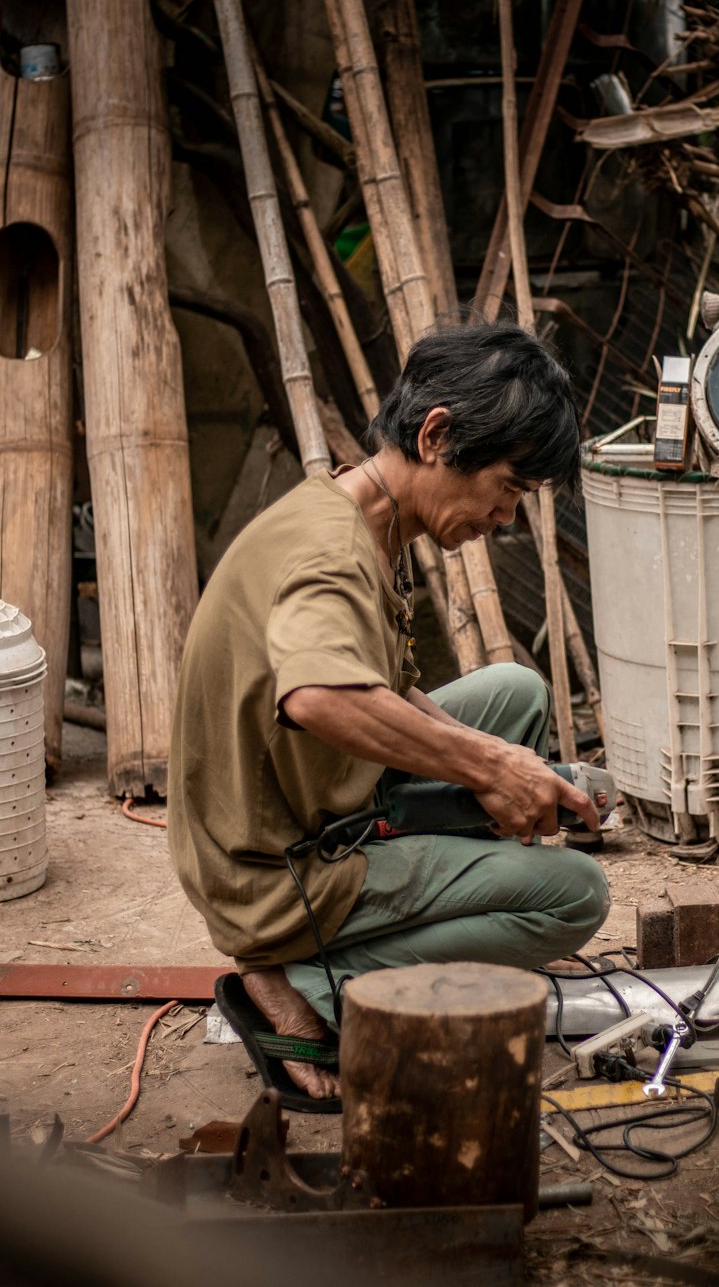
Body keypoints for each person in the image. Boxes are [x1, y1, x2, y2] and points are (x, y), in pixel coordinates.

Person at [167, 320, 610, 1104]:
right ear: (437, 434)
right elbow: (319, 695)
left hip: (298, 801)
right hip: (276, 872)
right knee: (575, 893)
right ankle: (309, 981)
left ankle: (406, 855)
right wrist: (486, 765)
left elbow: (379, 683)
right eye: (508, 487)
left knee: (517, 693)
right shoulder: (332, 554)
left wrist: (507, 760)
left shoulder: (358, 513)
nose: (505, 518)